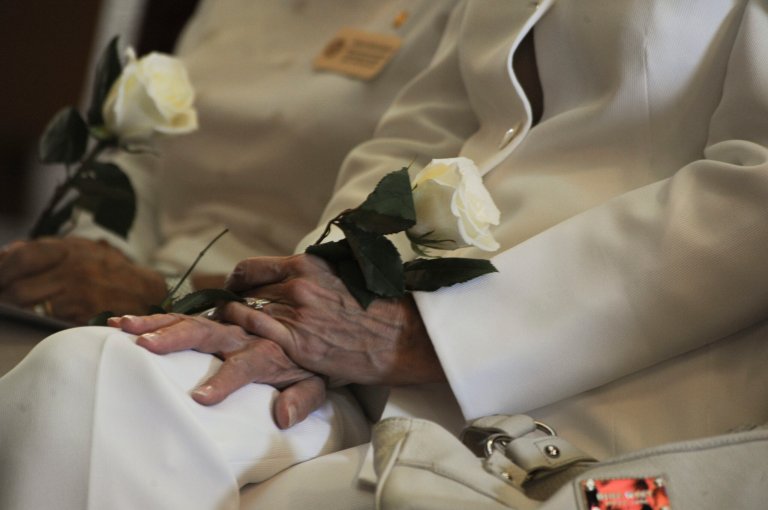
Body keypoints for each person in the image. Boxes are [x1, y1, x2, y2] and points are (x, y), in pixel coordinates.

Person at [2, 0, 768, 508]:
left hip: (609, 405)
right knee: (88, 379)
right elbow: (425, 128)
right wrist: (310, 308)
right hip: (377, 371)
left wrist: (425, 334)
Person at [0, 0, 458, 325]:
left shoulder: (450, 14)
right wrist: (95, 256)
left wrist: (159, 292)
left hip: (267, 331)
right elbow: (146, 159)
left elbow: (357, 269)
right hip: (135, 289)